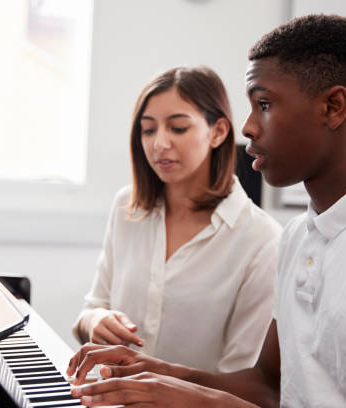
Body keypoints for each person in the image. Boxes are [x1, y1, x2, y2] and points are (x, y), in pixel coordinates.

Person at [67, 14, 346, 407]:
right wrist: (157, 372)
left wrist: (192, 400)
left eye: (264, 105)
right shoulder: (299, 237)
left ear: (333, 107)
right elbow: (269, 385)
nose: (248, 127)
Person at [71, 66, 282, 374]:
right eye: (148, 129)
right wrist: (95, 321)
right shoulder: (126, 209)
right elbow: (91, 310)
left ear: (218, 132)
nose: (159, 144)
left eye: (178, 128)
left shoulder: (261, 240)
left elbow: (241, 381)